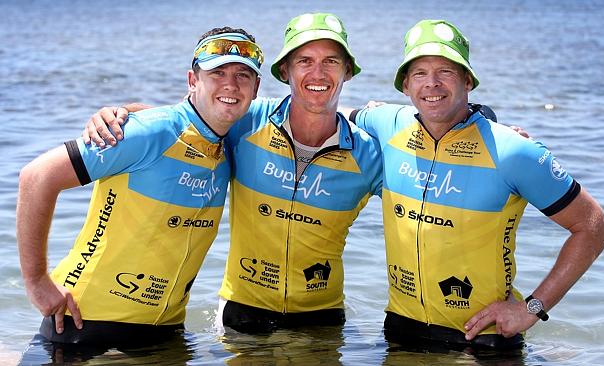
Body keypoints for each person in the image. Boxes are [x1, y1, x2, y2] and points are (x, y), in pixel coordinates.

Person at [83, 13, 384, 334]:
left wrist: (377, 117)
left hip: (322, 316)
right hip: (243, 311)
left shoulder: (367, 151)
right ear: (285, 71)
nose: (317, 72)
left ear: (347, 71)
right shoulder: (248, 121)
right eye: (304, 61)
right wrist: (122, 113)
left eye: (331, 61)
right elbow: (186, 117)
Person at [348, 19, 604, 351]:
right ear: (404, 86)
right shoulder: (389, 124)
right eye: (419, 73)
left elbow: (593, 226)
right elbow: (330, 113)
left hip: (484, 342)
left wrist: (532, 308)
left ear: (468, 81)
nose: (432, 83)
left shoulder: (513, 151)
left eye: (446, 71)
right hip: (401, 333)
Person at [16, 26, 263, 357]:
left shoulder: (228, 143)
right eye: (217, 72)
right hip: (87, 327)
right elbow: (37, 177)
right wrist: (36, 282)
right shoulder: (147, 130)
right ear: (193, 80)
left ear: (256, 87)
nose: (231, 84)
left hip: (167, 333)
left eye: (242, 75)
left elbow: (306, 108)